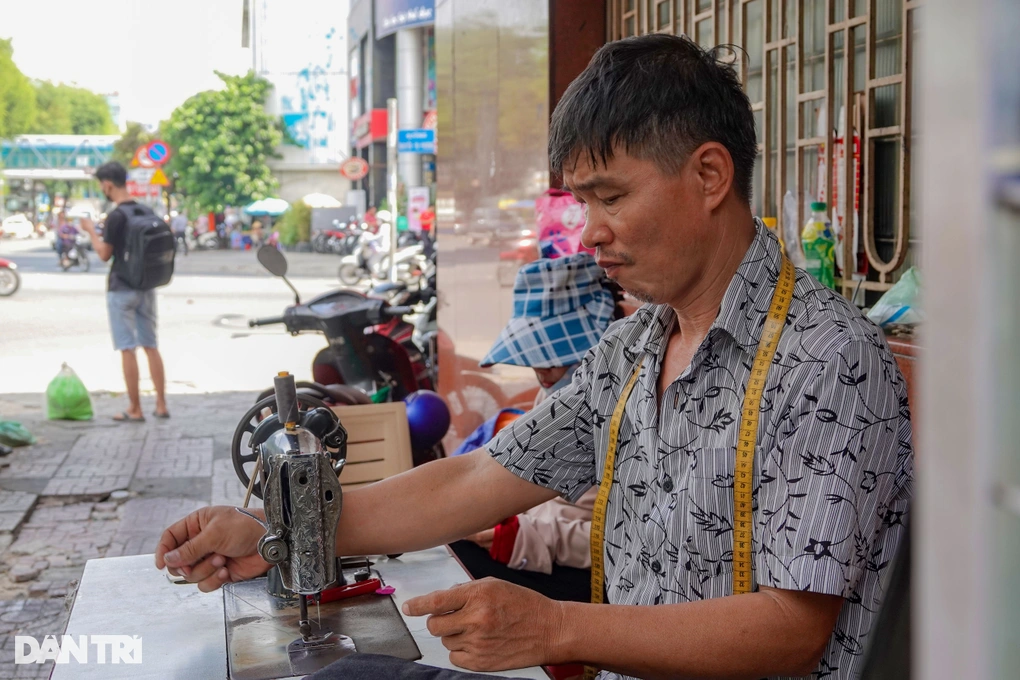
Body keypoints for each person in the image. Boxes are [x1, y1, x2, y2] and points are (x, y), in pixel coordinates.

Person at [156, 34, 912, 680]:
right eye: (583, 203)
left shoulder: (827, 358)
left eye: (610, 198)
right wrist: (279, 530)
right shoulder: (636, 347)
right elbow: (486, 473)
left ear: (710, 176)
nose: (590, 233)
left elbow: (792, 624)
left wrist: (556, 629)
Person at [449, 253, 621, 603]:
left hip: (592, 576)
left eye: (554, 360)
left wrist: (521, 536)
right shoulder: (554, 393)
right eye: (535, 362)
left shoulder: (620, 406)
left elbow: (624, 542)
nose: (543, 373)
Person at [80, 161, 170, 422]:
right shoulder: (144, 209)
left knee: (127, 348)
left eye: (101, 185)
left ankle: (135, 408)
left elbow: (104, 254)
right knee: (151, 345)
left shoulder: (116, 216)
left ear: (107, 184)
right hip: (146, 286)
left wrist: (90, 232)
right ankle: (162, 405)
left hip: (121, 289)